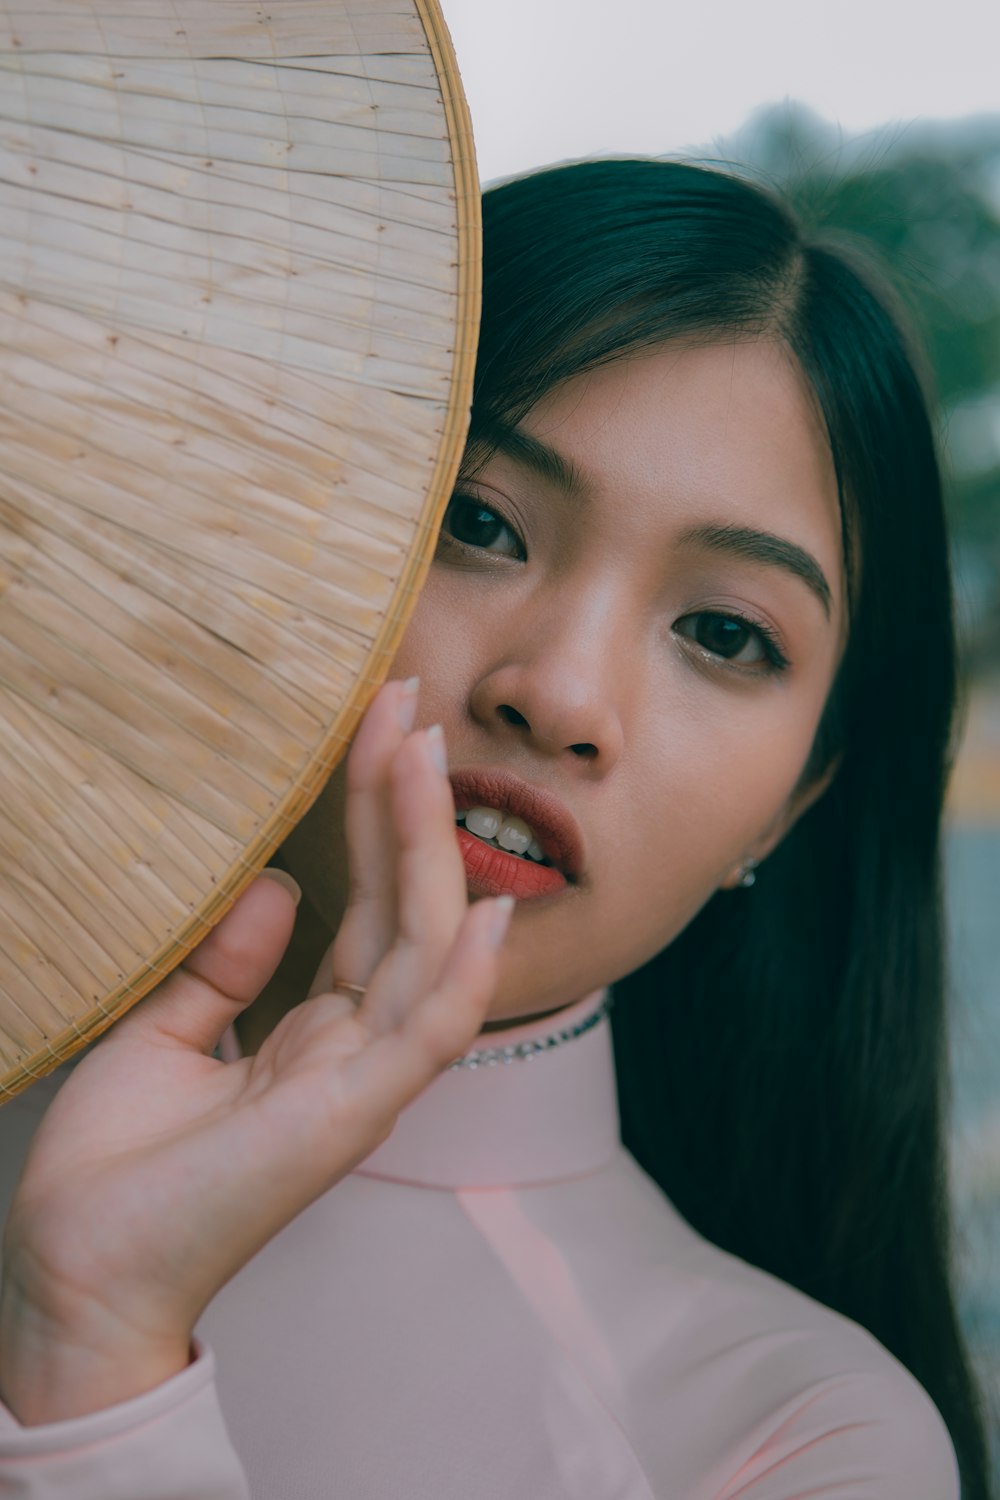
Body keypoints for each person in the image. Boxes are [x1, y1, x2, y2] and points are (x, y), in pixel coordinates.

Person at [0, 158, 993, 1499]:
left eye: (723, 632)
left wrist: (101, 1370)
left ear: (796, 802)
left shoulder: (798, 1441)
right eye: (480, 522)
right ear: (296, 540)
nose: (560, 696)